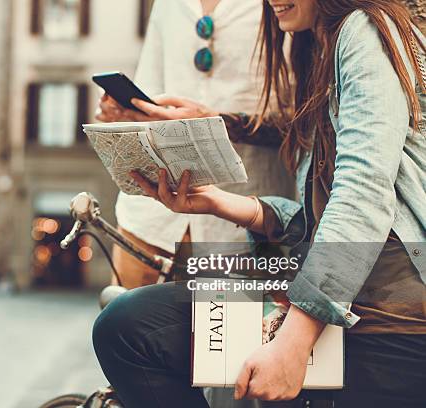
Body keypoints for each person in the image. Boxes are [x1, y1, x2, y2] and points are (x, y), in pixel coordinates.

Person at [93, 0, 426, 407]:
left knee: (132, 331)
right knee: (130, 323)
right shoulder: (320, 47)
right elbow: (319, 218)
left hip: (388, 320)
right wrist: (228, 205)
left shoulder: (365, 30)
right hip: (354, 300)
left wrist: (295, 342)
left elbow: (363, 195)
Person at [96, 0, 295, 289]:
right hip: (149, 221)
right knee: (125, 329)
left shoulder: (290, 5)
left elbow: (309, 121)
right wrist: (123, 113)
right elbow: (149, 92)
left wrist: (217, 121)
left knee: (230, 335)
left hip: (241, 227)